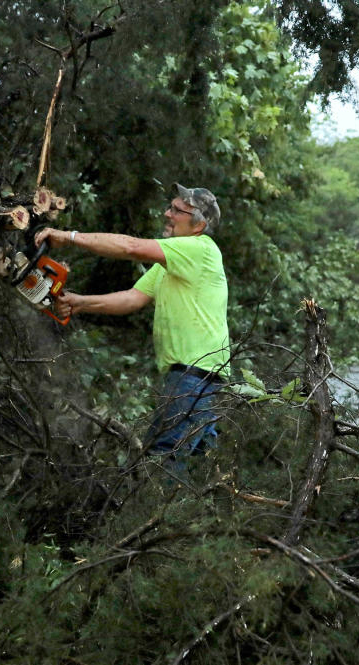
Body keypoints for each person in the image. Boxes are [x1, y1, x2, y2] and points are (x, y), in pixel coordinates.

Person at [34, 184, 231, 465]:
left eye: (177, 210)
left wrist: (68, 237)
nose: (167, 213)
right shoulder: (171, 265)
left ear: (199, 224)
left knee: (162, 464)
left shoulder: (199, 249)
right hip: (197, 378)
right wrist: (78, 302)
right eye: (170, 206)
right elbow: (132, 298)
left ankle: (151, 508)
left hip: (194, 377)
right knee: (197, 470)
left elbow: (130, 247)